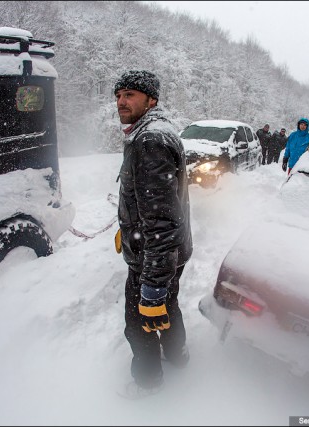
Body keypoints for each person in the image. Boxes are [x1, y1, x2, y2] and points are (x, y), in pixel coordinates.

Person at [113, 70, 193, 399]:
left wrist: (152, 285)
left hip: (153, 256)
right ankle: (178, 355)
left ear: (151, 100)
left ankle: (148, 382)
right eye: (118, 95)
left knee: (140, 319)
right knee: (168, 305)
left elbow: (161, 220)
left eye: (130, 94)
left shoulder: (149, 141)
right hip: (168, 252)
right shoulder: (154, 132)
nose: (121, 101)